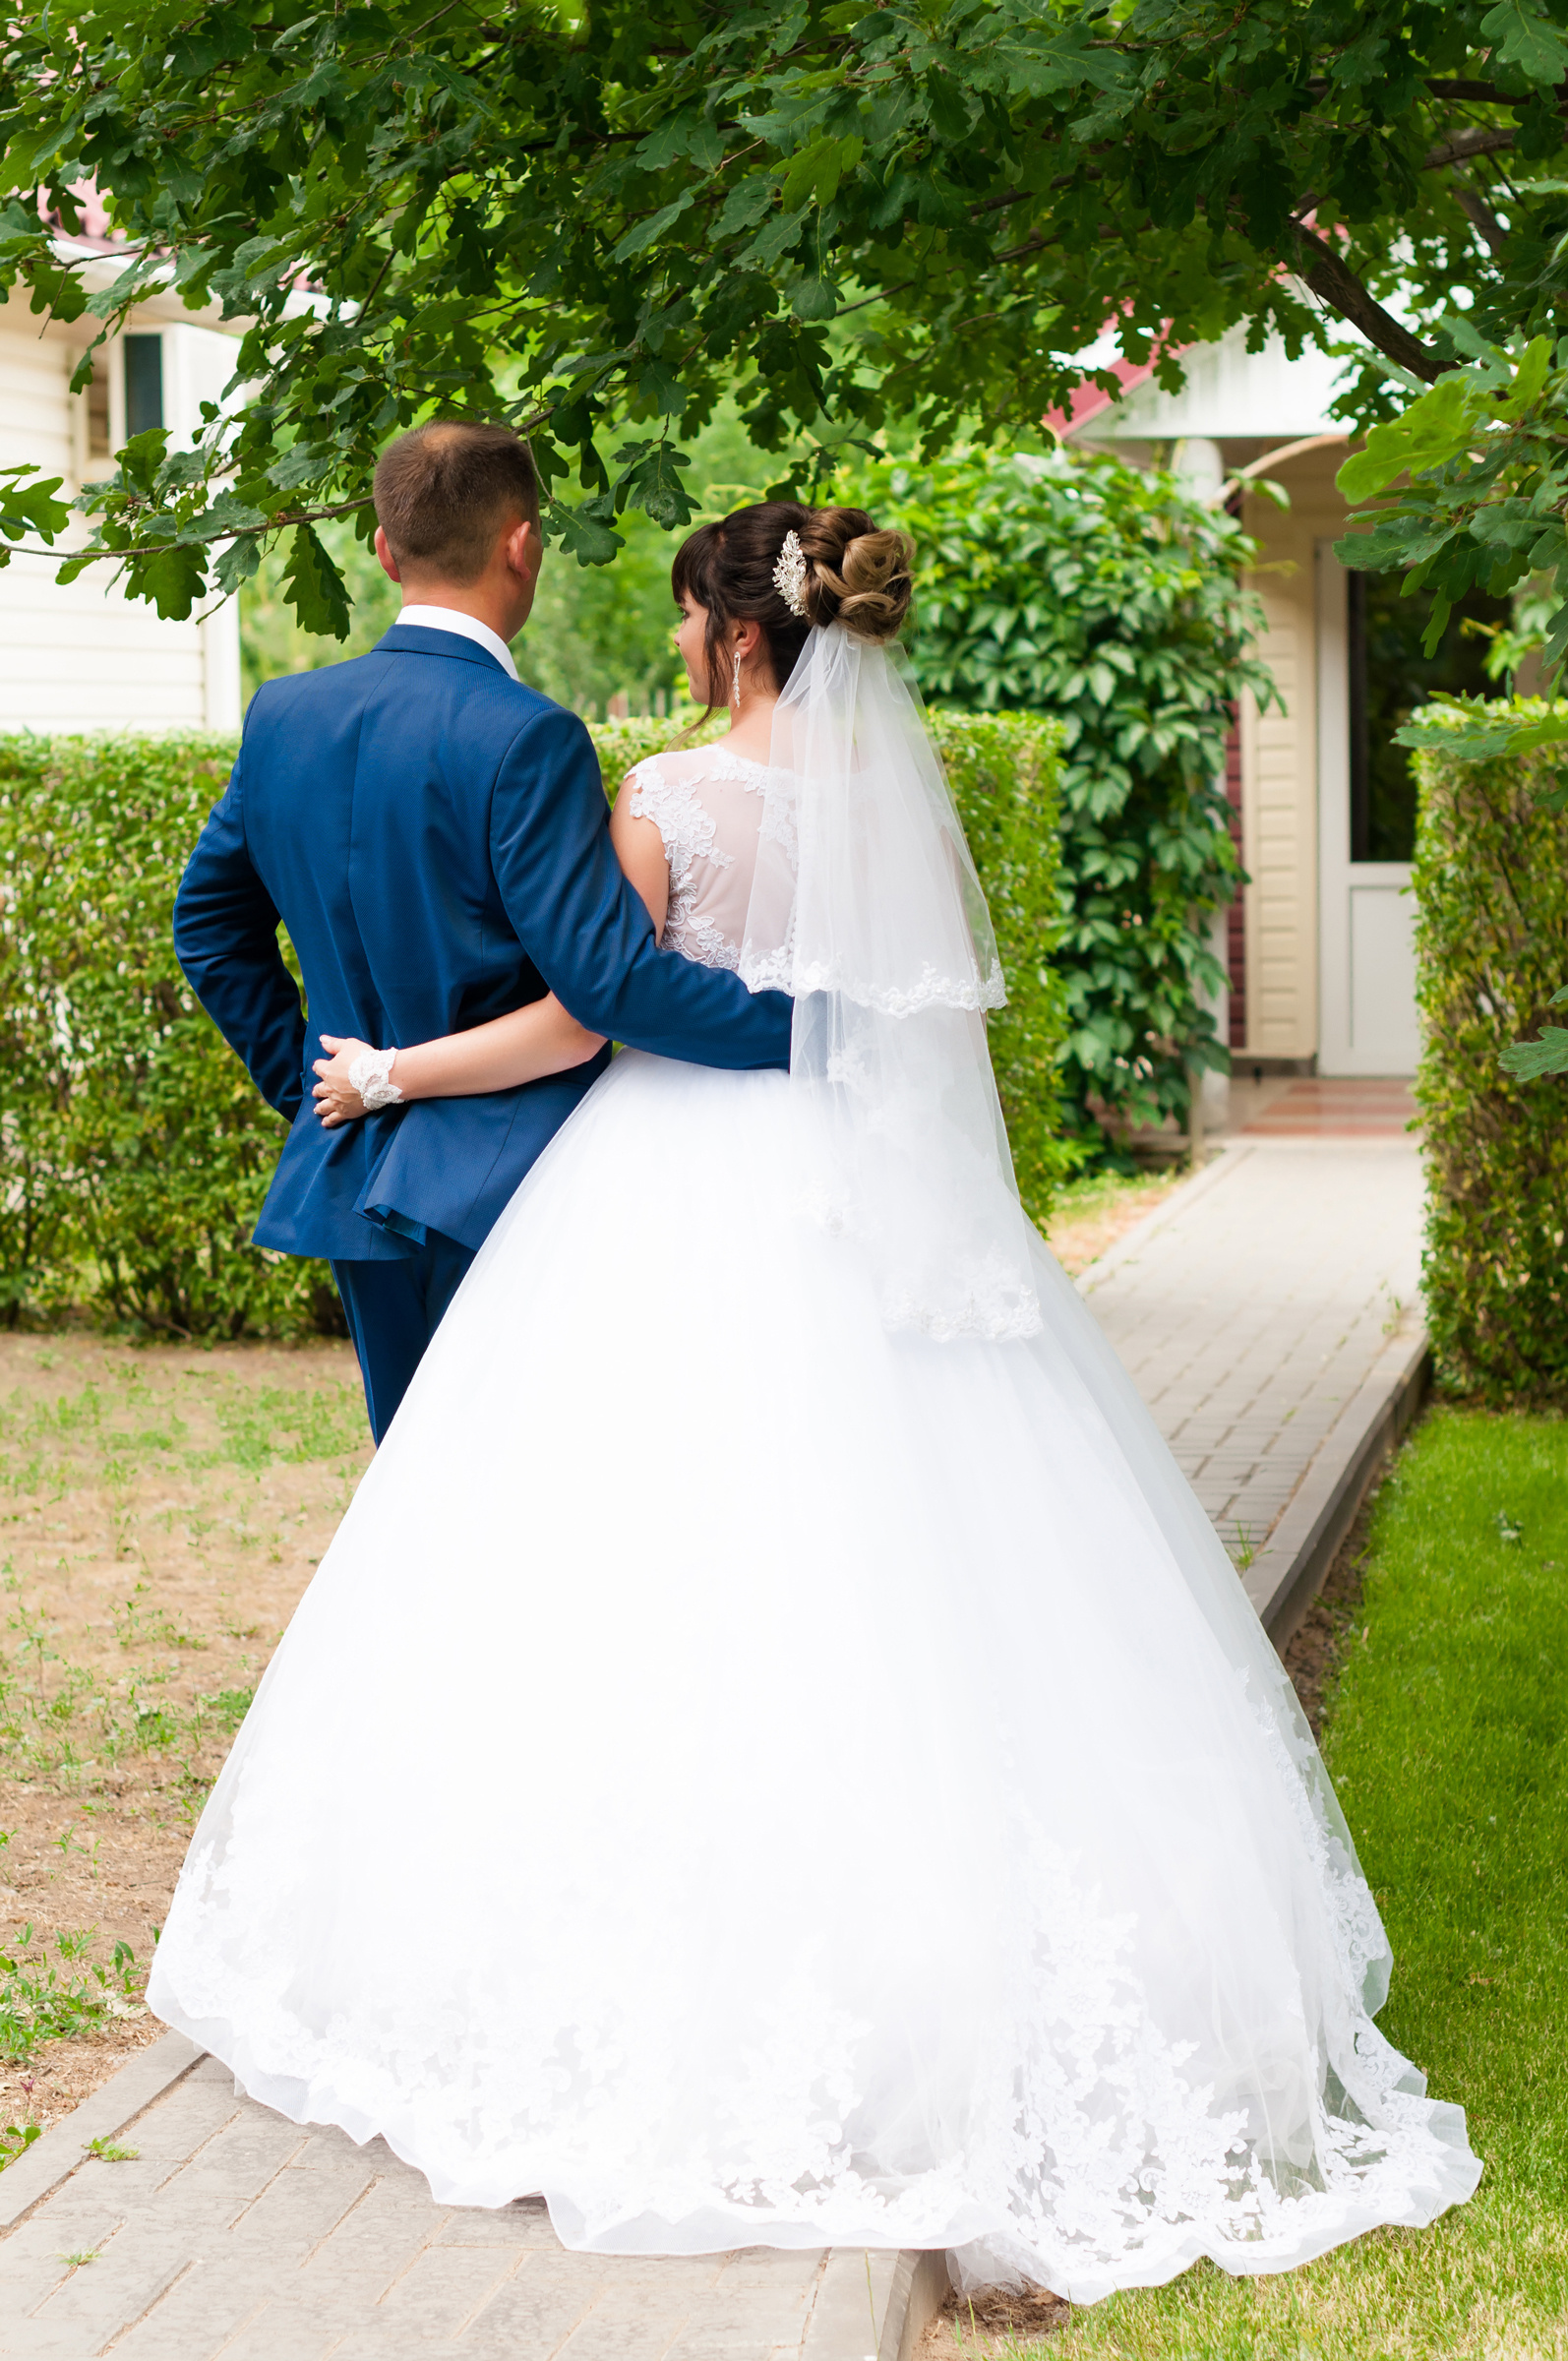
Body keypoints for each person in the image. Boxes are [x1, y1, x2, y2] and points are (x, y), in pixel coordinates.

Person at [149, 501, 1480, 2306]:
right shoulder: (897, 816)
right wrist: (822, 1042)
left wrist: (387, 1066)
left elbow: (585, 1013)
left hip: (671, 1189)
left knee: (649, 1563)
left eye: (696, 627)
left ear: (727, 635)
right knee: (918, 1556)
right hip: (873, 1189)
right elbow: (892, 1026)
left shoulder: (670, 799)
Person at [171, 423, 791, 1443]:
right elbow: (608, 982)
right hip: (518, 1176)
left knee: (415, 1492)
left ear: (382, 548)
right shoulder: (525, 735)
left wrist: (324, 1083)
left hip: (352, 1171)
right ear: (523, 544)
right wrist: (803, 1024)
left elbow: (208, 928)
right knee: (524, 1482)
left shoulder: (284, 713)